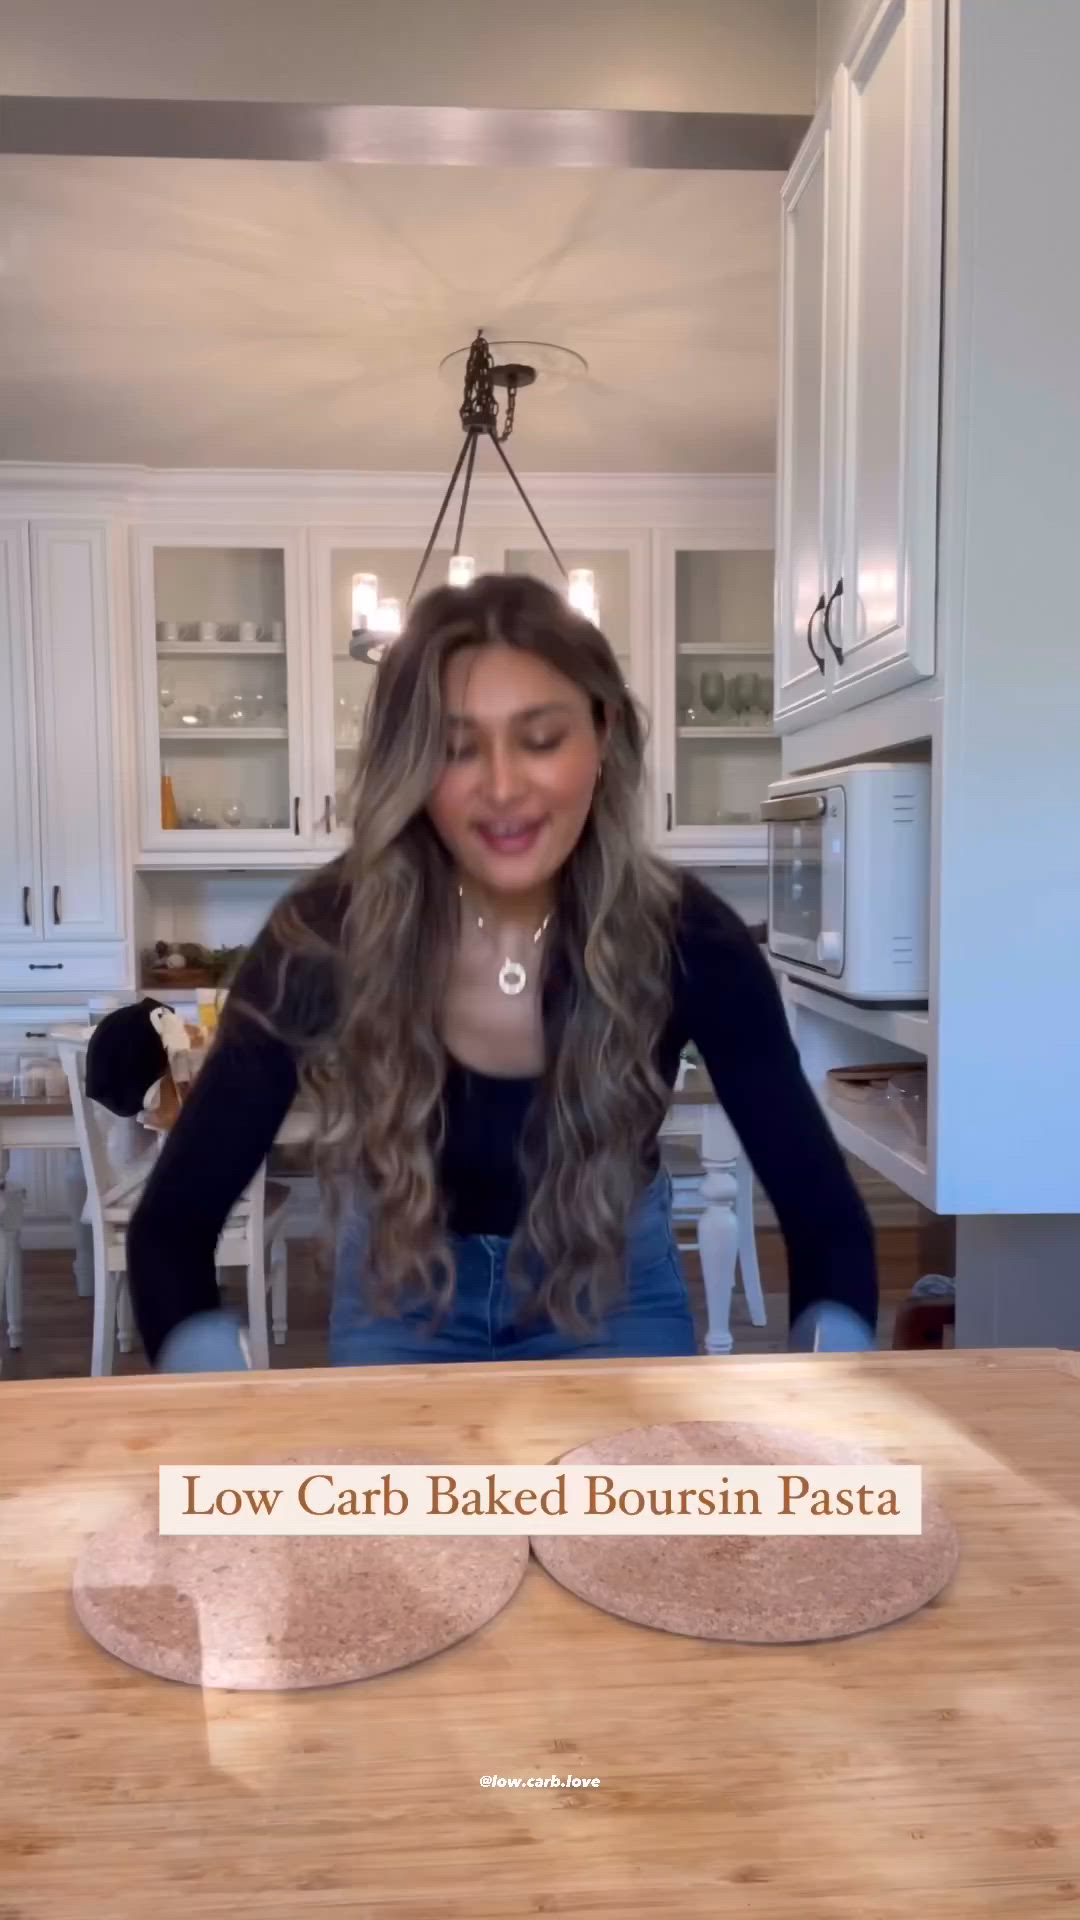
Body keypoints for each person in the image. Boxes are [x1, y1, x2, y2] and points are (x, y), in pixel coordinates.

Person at [127, 574, 877, 1373]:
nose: (503, 787)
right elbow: (172, 1225)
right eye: (454, 748)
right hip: (399, 1294)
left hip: (611, 1290)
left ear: (604, 733)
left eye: (542, 738)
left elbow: (826, 1222)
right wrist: (209, 1399)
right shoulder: (323, 936)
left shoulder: (691, 939)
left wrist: (832, 1396)